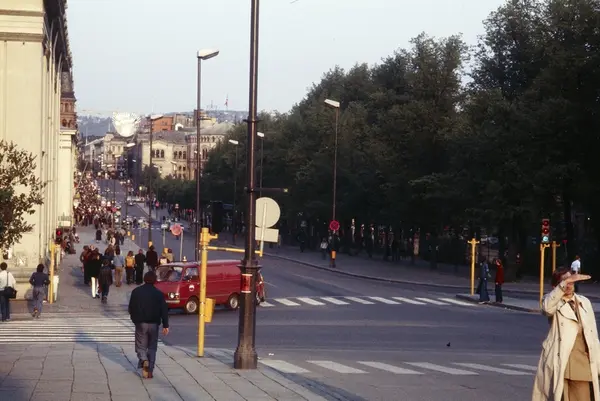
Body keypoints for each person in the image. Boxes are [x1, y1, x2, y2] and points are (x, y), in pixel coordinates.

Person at [532, 268, 600, 401]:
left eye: (571, 281)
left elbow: (593, 335)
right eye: (564, 282)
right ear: (556, 286)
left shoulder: (584, 302)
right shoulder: (553, 301)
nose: (569, 285)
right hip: (561, 359)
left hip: (582, 360)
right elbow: (547, 308)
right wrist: (563, 284)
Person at [128, 271, 169, 379]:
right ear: (155, 280)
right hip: (154, 323)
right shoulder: (158, 293)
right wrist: (165, 325)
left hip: (141, 323)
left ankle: (143, 359)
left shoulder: (136, 292)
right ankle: (150, 370)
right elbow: (164, 310)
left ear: (144, 279)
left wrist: (134, 319)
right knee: (152, 347)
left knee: (140, 346)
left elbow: (131, 307)